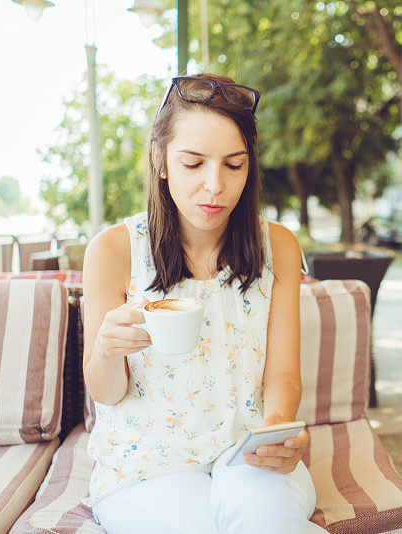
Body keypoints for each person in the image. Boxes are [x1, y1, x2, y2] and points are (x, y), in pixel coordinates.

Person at [80, 72, 326, 534]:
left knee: (263, 521)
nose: (214, 186)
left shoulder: (279, 247)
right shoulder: (114, 251)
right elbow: (105, 392)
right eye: (193, 163)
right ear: (161, 160)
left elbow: (283, 377)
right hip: (147, 465)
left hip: (245, 454)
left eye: (233, 165)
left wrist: (276, 432)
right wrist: (107, 350)